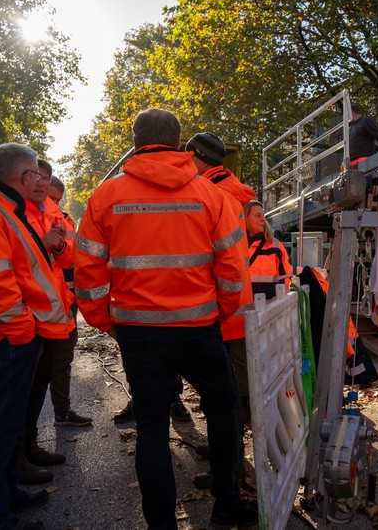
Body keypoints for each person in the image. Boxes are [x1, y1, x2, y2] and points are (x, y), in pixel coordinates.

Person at [74, 108, 256, 528]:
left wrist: (108, 321)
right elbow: (233, 271)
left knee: (152, 429)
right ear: (181, 144)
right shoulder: (212, 197)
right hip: (200, 330)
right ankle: (227, 504)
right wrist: (218, 313)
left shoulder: (106, 197)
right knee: (224, 413)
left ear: (134, 142)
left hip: (139, 333)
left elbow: (88, 273)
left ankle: (161, 523)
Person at [0, 143, 75, 530]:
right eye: (35, 173)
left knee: (4, 428)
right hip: (3, 341)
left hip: (9, 338)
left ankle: (5, 496)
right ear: (23, 175)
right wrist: (22, 331)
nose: (39, 180)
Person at [185, 131, 254, 492]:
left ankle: (229, 473)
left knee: (226, 398)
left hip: (221, 309)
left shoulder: (210, 195)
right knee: (228, 394)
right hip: (237, 305)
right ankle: (224, 457)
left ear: (196, 156)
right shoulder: (237, 191)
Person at [18, 159, 90, 484]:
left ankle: (27, 446)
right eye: (36, 177)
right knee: (17, 395)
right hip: (24, 320)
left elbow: (69, 256)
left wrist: (58, 243)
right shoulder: (13, 214)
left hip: (52, 313)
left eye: (45, 179)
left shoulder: (52, 215)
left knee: (41, 381)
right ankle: (11, 467)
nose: (42, 184)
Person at [244, 200, 293, 299]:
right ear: (245, 218)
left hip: (270, 307)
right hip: (240, 309)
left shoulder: (276, 246)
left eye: (263, 216)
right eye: (258, 216)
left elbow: (286, 279)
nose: (263, 219)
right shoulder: (235, 246)